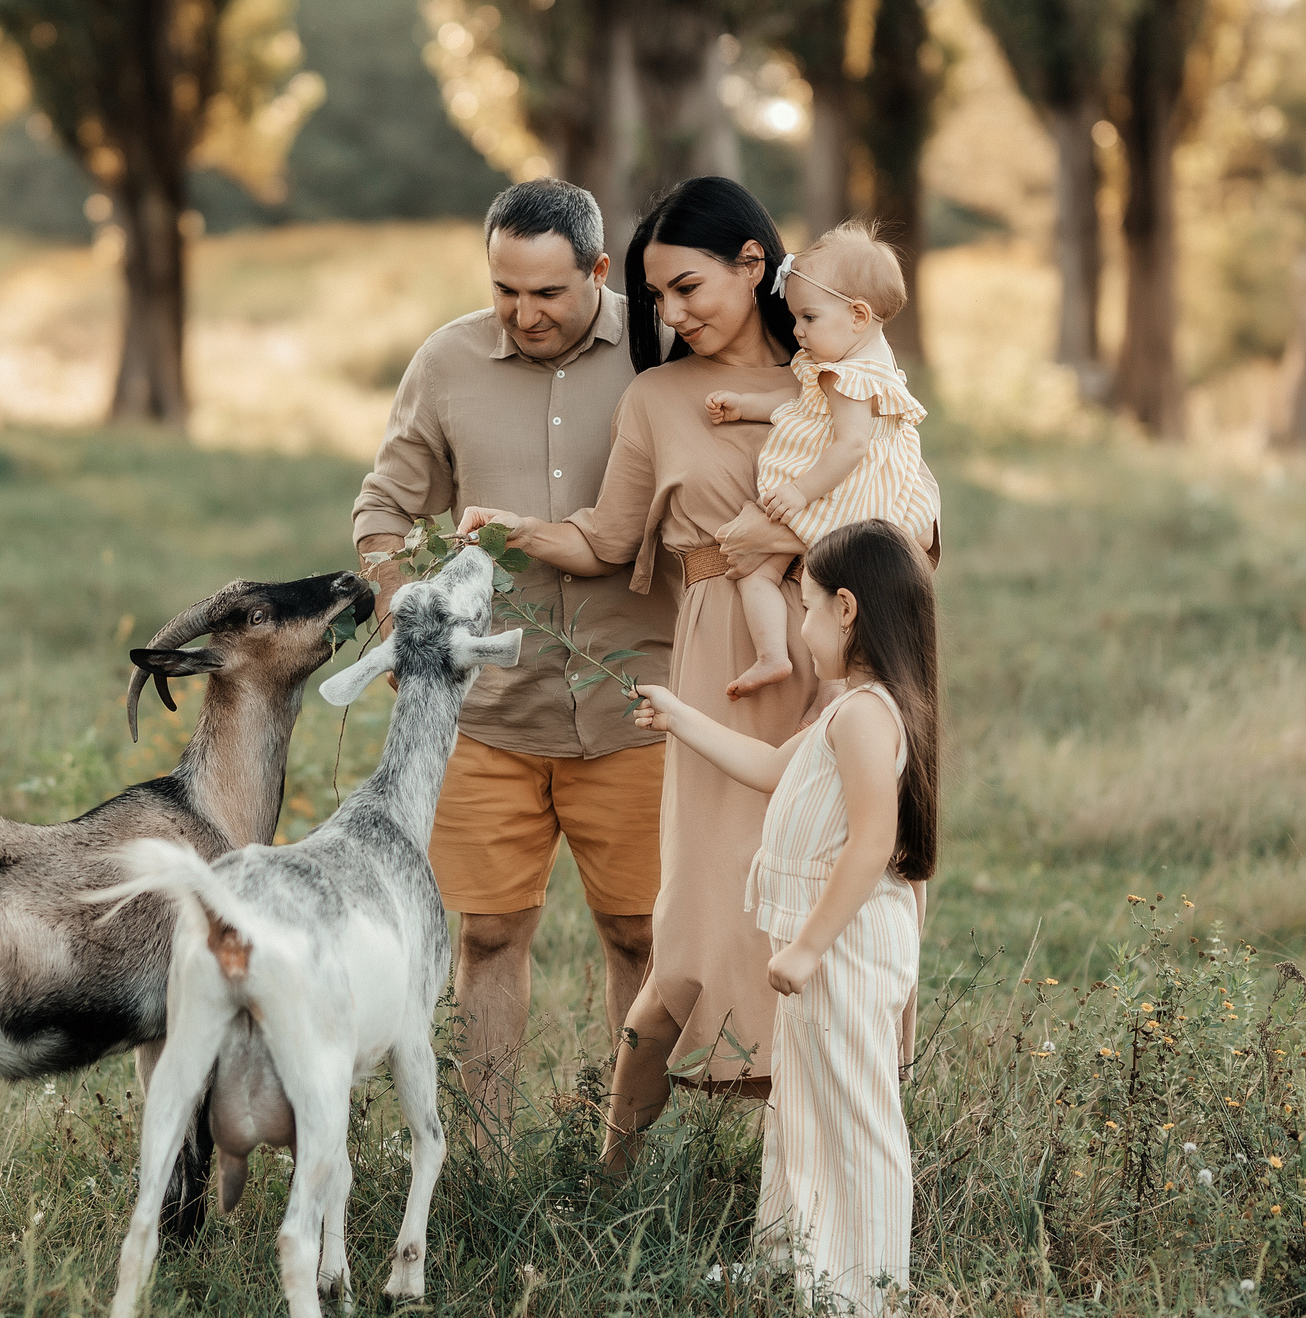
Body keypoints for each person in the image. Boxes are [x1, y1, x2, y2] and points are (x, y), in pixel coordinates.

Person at [457, 175, 832, 1139]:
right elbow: (606, 539)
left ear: (754, 265)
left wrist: (781, 540)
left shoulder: (834, 377)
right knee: (703, 909)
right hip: (714, 665)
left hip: (843, 651)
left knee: (832, 883)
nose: (667, 314)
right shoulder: (657, 395)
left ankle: (816, 1132)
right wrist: (516, 531)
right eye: (655, 295)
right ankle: (626, 1156)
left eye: (687, 289)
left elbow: (910, 506)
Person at [352, 178, 675, 1150]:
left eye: (548, 293)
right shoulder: (444, 362)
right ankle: (483, 1164)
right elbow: (385, 510)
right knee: (486, 937)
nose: (523, 314)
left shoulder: (663, 353)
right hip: (489, 714)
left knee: (642, 939)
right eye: (505, 290)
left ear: (599, 272)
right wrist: (395, 594)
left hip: (638, 707)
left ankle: (632, 1158)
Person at [628, 519, 939, 1318]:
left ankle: (864, 1303)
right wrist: (680, 718)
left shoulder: (868, 715)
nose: (797, 630)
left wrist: (806, 947)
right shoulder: (850, 711)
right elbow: (774, 769)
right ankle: (793, 1264)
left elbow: (875, 842)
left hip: (836, 947)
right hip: (821, 948)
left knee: (854, 1118)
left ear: (845, 609)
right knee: (801, 1109)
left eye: (802, 609)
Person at [703, 222, 940, 699]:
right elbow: (805, 413)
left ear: (857, 315)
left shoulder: (842, 374)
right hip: (868, 493)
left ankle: (774, 657)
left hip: (836, 492)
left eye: (808, 317)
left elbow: (851, 445)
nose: (797, 331)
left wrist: (799, 491)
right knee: (839, 608)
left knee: (760, 573)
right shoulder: (874, 361)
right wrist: (746, 407)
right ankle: (825, 695)